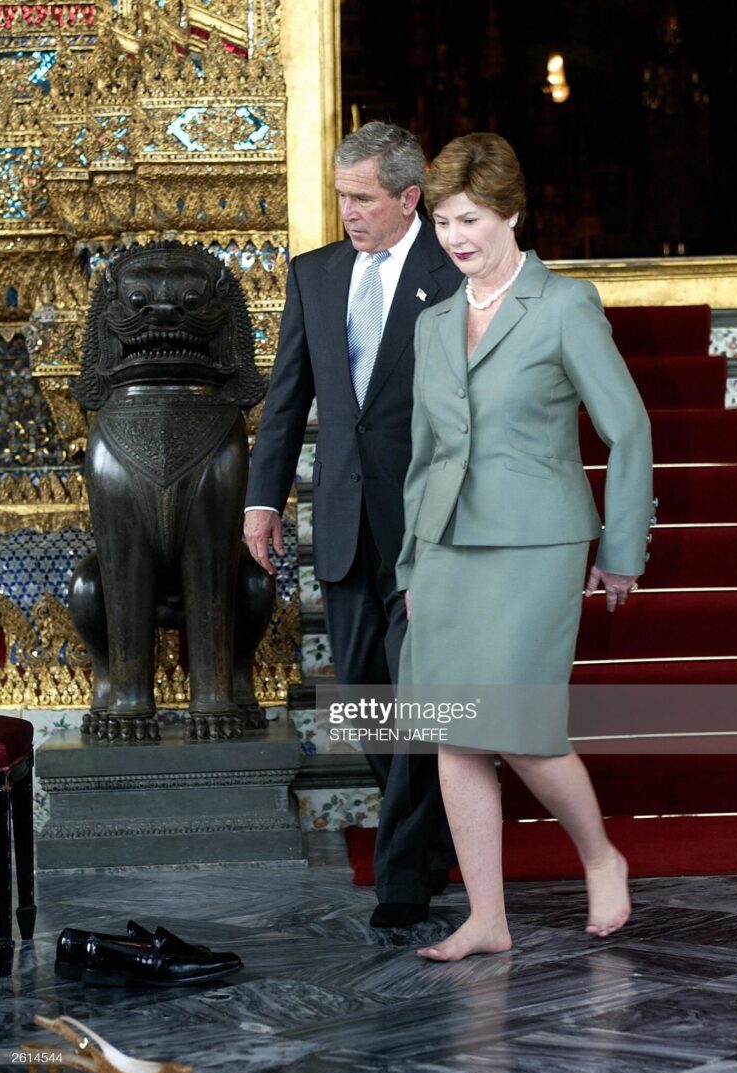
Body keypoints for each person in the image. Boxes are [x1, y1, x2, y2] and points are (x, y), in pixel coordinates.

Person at [395, 133, 654, 961]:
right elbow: (423, 454)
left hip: (537, 544)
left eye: (469, 218)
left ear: (510, 212)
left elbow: (629, 427)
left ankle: (601, 854)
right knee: (453, 730)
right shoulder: (433, 322)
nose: (456, 236)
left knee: (520, 725)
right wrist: (410, 562)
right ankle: (487, 917)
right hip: (445, 552)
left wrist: (621, 547)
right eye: (441, 221)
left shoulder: (565, 305)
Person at [244, 122, 463, 928]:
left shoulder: (452, 274)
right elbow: (287, 398)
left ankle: (403, 873)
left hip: (426, 528)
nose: (347, 212)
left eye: (362, 198)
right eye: (340, 196)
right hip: (340, 519)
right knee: (370, 697)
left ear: (410, 198)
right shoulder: (316, 274)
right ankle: (435, 832)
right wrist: (261, 500)